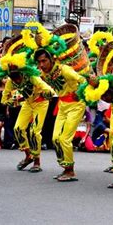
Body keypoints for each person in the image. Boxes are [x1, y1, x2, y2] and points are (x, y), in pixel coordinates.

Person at [0, 52, 56, 172]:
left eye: (17, 75)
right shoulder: (11, 81)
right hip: (27, 104)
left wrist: (46, 93)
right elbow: (4, 99)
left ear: (22, 71)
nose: (16, 79)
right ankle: (28, 156)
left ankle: (37, 161)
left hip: (41, 103)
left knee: (34, 132)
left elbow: (48, 89)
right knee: (18, 129)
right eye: (12, 76)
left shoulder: (32, 77)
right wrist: (16, 100)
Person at [34, 48, 86, 182]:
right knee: (55, 138)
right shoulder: (44, 74)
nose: (41, 65)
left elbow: (83, 81)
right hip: (62, 105)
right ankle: (65, 167)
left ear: (52, 59)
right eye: (39, 62)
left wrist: (79, 92)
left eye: (44, 61)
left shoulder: (65, 70)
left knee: (64, 139)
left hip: (76, 105)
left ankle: (71, 171)